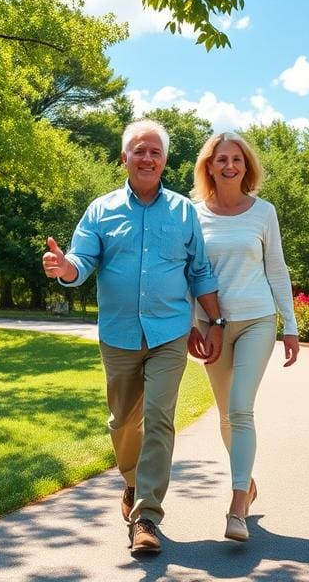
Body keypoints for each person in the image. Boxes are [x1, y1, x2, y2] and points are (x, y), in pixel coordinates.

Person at [42, 119, 225, 555]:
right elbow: (81, 260)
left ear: (165, 160)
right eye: (139, 151)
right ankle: (131, 481)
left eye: (155, 152)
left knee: (159, 419)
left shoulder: (184, 212)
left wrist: (215, 323)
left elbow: (199, 271)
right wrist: (66, 268)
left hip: (169, 333)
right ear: (124, 157)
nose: (147, 158)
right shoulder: (101, 210)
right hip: (119, 334)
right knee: (123, 422)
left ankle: (146, 517)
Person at [188, 131, 300, 542]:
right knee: (225, 414)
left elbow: (277, 270)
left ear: (246, 165)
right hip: (210, 324)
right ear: (209, 166)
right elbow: (189, 273)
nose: (229, 165)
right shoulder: (193, 215)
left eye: (236, 159)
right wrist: (191, 323)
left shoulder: (264, 212)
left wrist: (290, 325)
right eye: (221, 159)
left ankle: (237, 506)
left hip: (256, 319)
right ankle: (247, 482)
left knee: (240, 408)